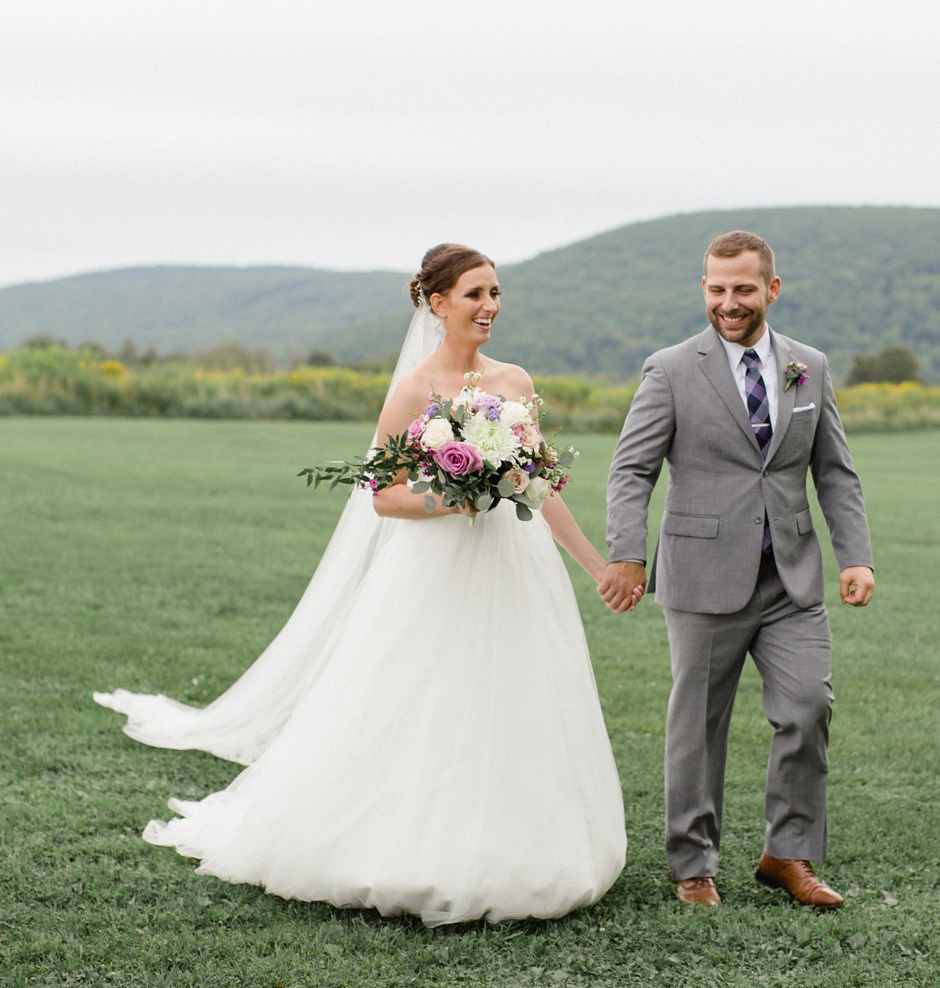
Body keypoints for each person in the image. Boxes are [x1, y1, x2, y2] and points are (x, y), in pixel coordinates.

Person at [95, 244, 633, 926]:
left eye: (496, 292)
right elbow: (381, 494)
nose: (490, 305)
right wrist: (453, 498)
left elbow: (538, 486)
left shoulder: (515, 383)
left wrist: (595, 565)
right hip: (435, 570)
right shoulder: (415, 390)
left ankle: (529, 844)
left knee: (518, 692)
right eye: (474, 294)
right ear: (437, 304)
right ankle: (406, 842)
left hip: (514, 566)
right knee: (424, 697)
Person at [599, 230, 874, 909]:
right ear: (704, 289)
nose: (729, 302)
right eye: (717, 289)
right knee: (698, 725)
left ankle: (788, 853)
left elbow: (834, 472)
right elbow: (631, 469)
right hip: (701, 575)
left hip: (791, 576)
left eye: (743, 289)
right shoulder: (668, 369)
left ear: (770, 290)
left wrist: (856, 556)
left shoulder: (808, 365)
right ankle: (693, 866)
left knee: (808, 707)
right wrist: (626, 552)